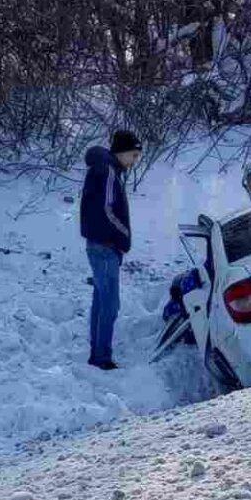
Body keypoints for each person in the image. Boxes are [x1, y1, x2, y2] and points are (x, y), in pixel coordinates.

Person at [79, 129, 142, 370]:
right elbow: (106, 210)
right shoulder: (107, 172)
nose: (135, 161)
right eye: (133, 155)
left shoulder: (106, 169)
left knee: (101, 300)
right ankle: (101, 357)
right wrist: (123, 235)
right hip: (104, 247)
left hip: (102, 246)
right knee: (110, 305)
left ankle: (97, 352)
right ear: (122, 152)